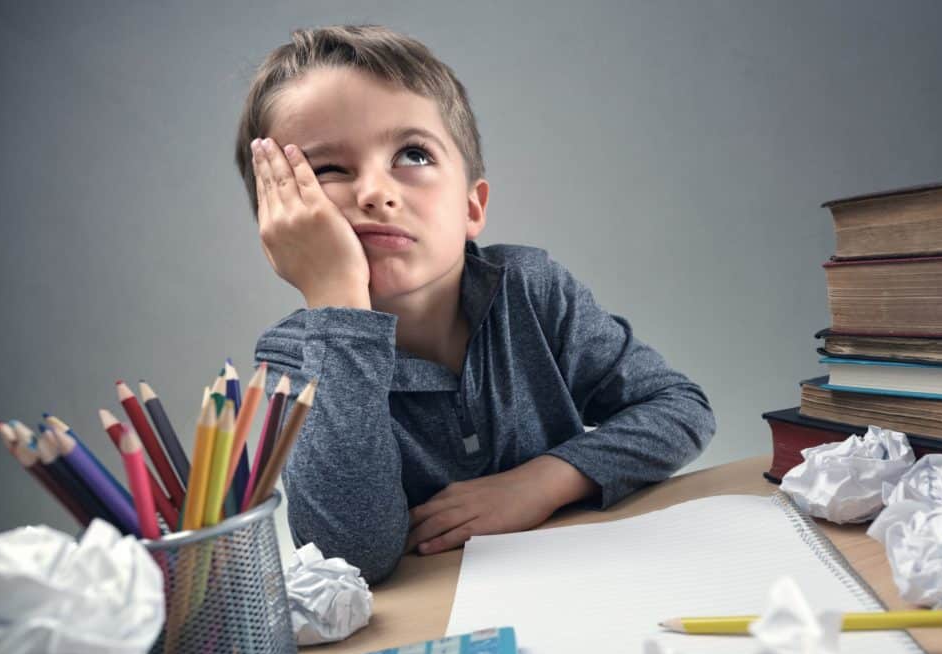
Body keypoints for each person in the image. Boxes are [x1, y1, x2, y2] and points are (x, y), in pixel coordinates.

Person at [235, 25, 716, 583]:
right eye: (326, 170)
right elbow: (349, 556)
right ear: (280, 223)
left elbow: (680, 408)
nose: (374, 191)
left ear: (472, 207)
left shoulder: (530, 288)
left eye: (412, 155)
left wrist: (544, 480)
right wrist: (338, 307)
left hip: (583, 577)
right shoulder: (296, 356)